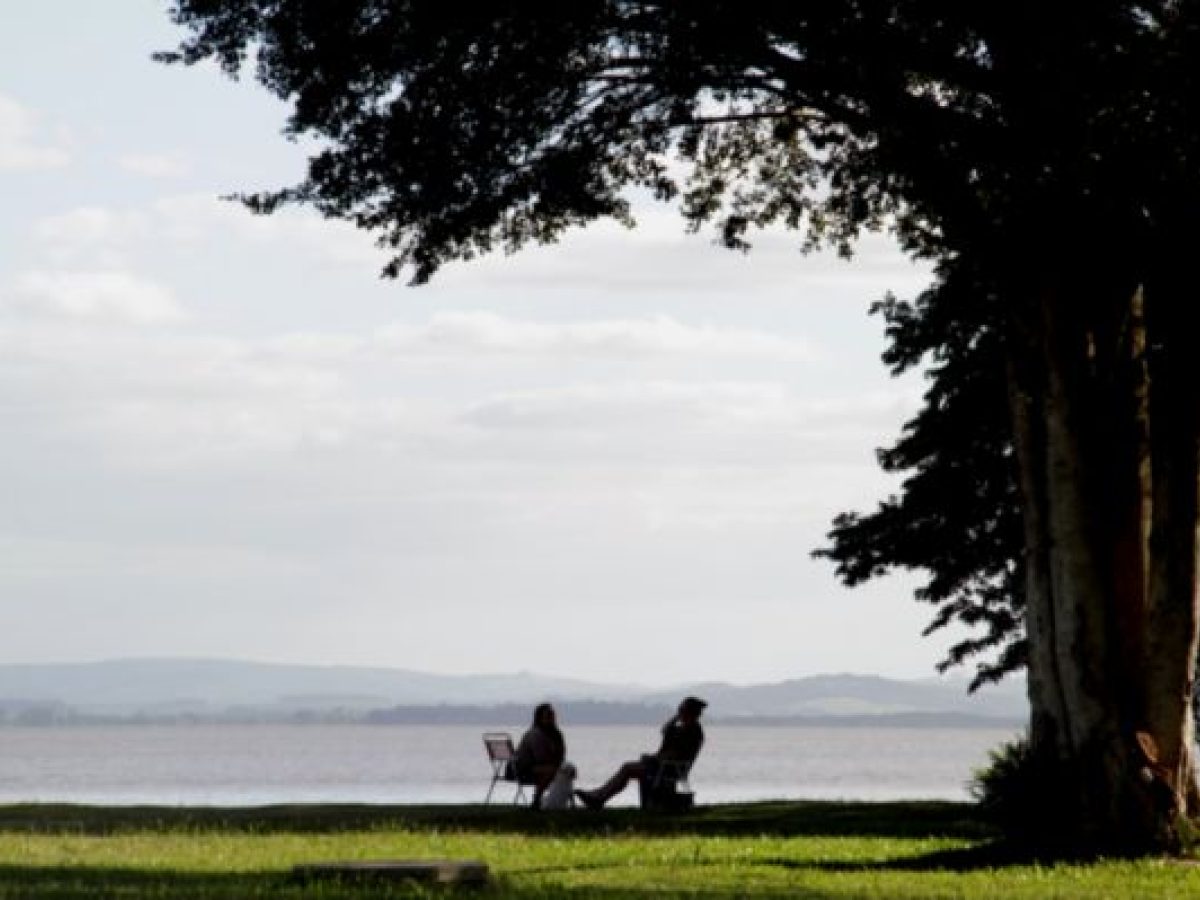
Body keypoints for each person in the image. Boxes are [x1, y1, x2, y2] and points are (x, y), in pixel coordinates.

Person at [574, 696, 706, 809]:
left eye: (681, 710)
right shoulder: (684, 729)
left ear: (689, 712)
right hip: (664, 766)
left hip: (670, 769)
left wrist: (654, 758)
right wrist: (675, 718)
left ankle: (599, 797)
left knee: (628, 768)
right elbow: (666, 731)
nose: (679, 713)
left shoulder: (692, 732)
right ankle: (598, 795)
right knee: (628, 768)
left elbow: (677, 755)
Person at [514, 702, 566, 809]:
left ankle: (556, 800)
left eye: (552, 715)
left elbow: (561, 755)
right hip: (522, 769)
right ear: (540, 718)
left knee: (565, 770)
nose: (551, 718)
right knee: (552, 770)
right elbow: (541, 758)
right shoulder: (536, 734)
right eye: (548, 716)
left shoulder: (556, 734)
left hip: (539, 766)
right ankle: (537, 800)